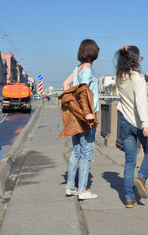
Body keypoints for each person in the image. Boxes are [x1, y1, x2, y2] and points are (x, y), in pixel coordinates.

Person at [115, 45, 148, 208]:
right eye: (140, 58)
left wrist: (122, 51)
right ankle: (141, 178)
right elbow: (141, 103)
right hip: (139, 123)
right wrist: (146, 123)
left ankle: (129, 199)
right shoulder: (137, 78)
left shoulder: (120, 76)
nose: (140, 60)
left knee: (129, 161)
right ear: (136, 60)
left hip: (125, 122)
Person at [61, 39, 100, 200]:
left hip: (77, 117)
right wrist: (87, 113)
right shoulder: (87, 70)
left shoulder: (77, 69)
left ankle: (70, 186)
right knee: (86, 154)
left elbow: (65, 85)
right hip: (86, 117)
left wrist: (74, 107)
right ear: (92, 52)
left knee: (76, 152)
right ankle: (83, 190)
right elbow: (84, 93)